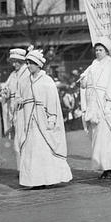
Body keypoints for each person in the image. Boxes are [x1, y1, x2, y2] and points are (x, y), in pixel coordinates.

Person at [14, 49, 73, 189]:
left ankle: (47, 178)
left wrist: (51, 119)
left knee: (43, 150)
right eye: (27, 63)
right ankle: (34, 181)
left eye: (32, 63)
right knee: (31, 152)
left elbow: (52, 102)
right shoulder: (23, 81)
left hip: (42, 122)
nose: (29, 66)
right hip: (28, 122)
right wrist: (19, 101)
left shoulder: (47, 81)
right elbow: (18, 96)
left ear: (39, 65)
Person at [79, 39, 111, 178]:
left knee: (107, 137)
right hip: (94, 106)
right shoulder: (93, 65)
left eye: (101, 50)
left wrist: (109, 103)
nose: (98, 52)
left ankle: (109, 167)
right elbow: (85, 82)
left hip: (105, 105)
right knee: (97, 137)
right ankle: (102, 166)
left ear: (107, 51)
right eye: (96, 50)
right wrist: (83, 81)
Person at [0, 48, 29, 164]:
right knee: (17, 140)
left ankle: (25, 167)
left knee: (22, 140)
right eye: (13, 61)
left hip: (23, 110)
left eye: (17, 61)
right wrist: (5, 92)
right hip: (14, 111)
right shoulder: (13, 74)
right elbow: (6, 88)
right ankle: (21, 168)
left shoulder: (26, 73)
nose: (14, 64)